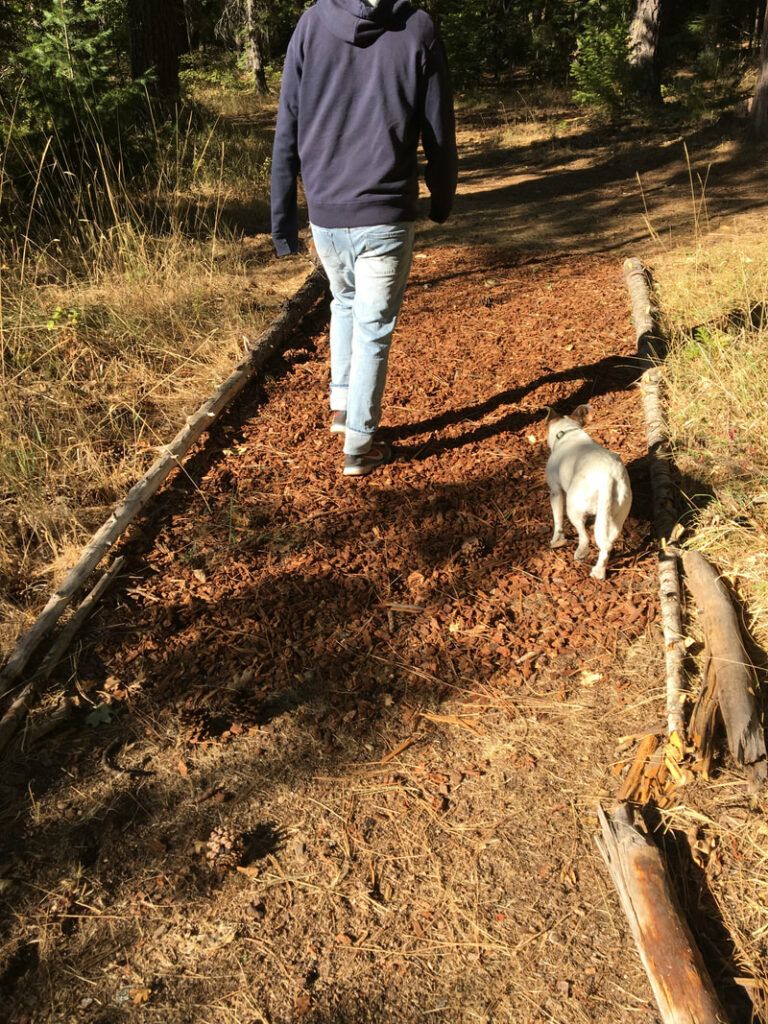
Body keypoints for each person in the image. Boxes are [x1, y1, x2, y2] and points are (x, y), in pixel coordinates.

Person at [271, 0, 458, 477]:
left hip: (327, 212)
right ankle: (360, 442)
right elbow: (439, 128)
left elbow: (287, 123)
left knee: (345, 301)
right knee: (373, 324)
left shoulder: (313, 22)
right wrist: (442, 197)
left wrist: (282, 219)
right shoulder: (418, 28)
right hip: (386, 212)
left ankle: (342, 406)